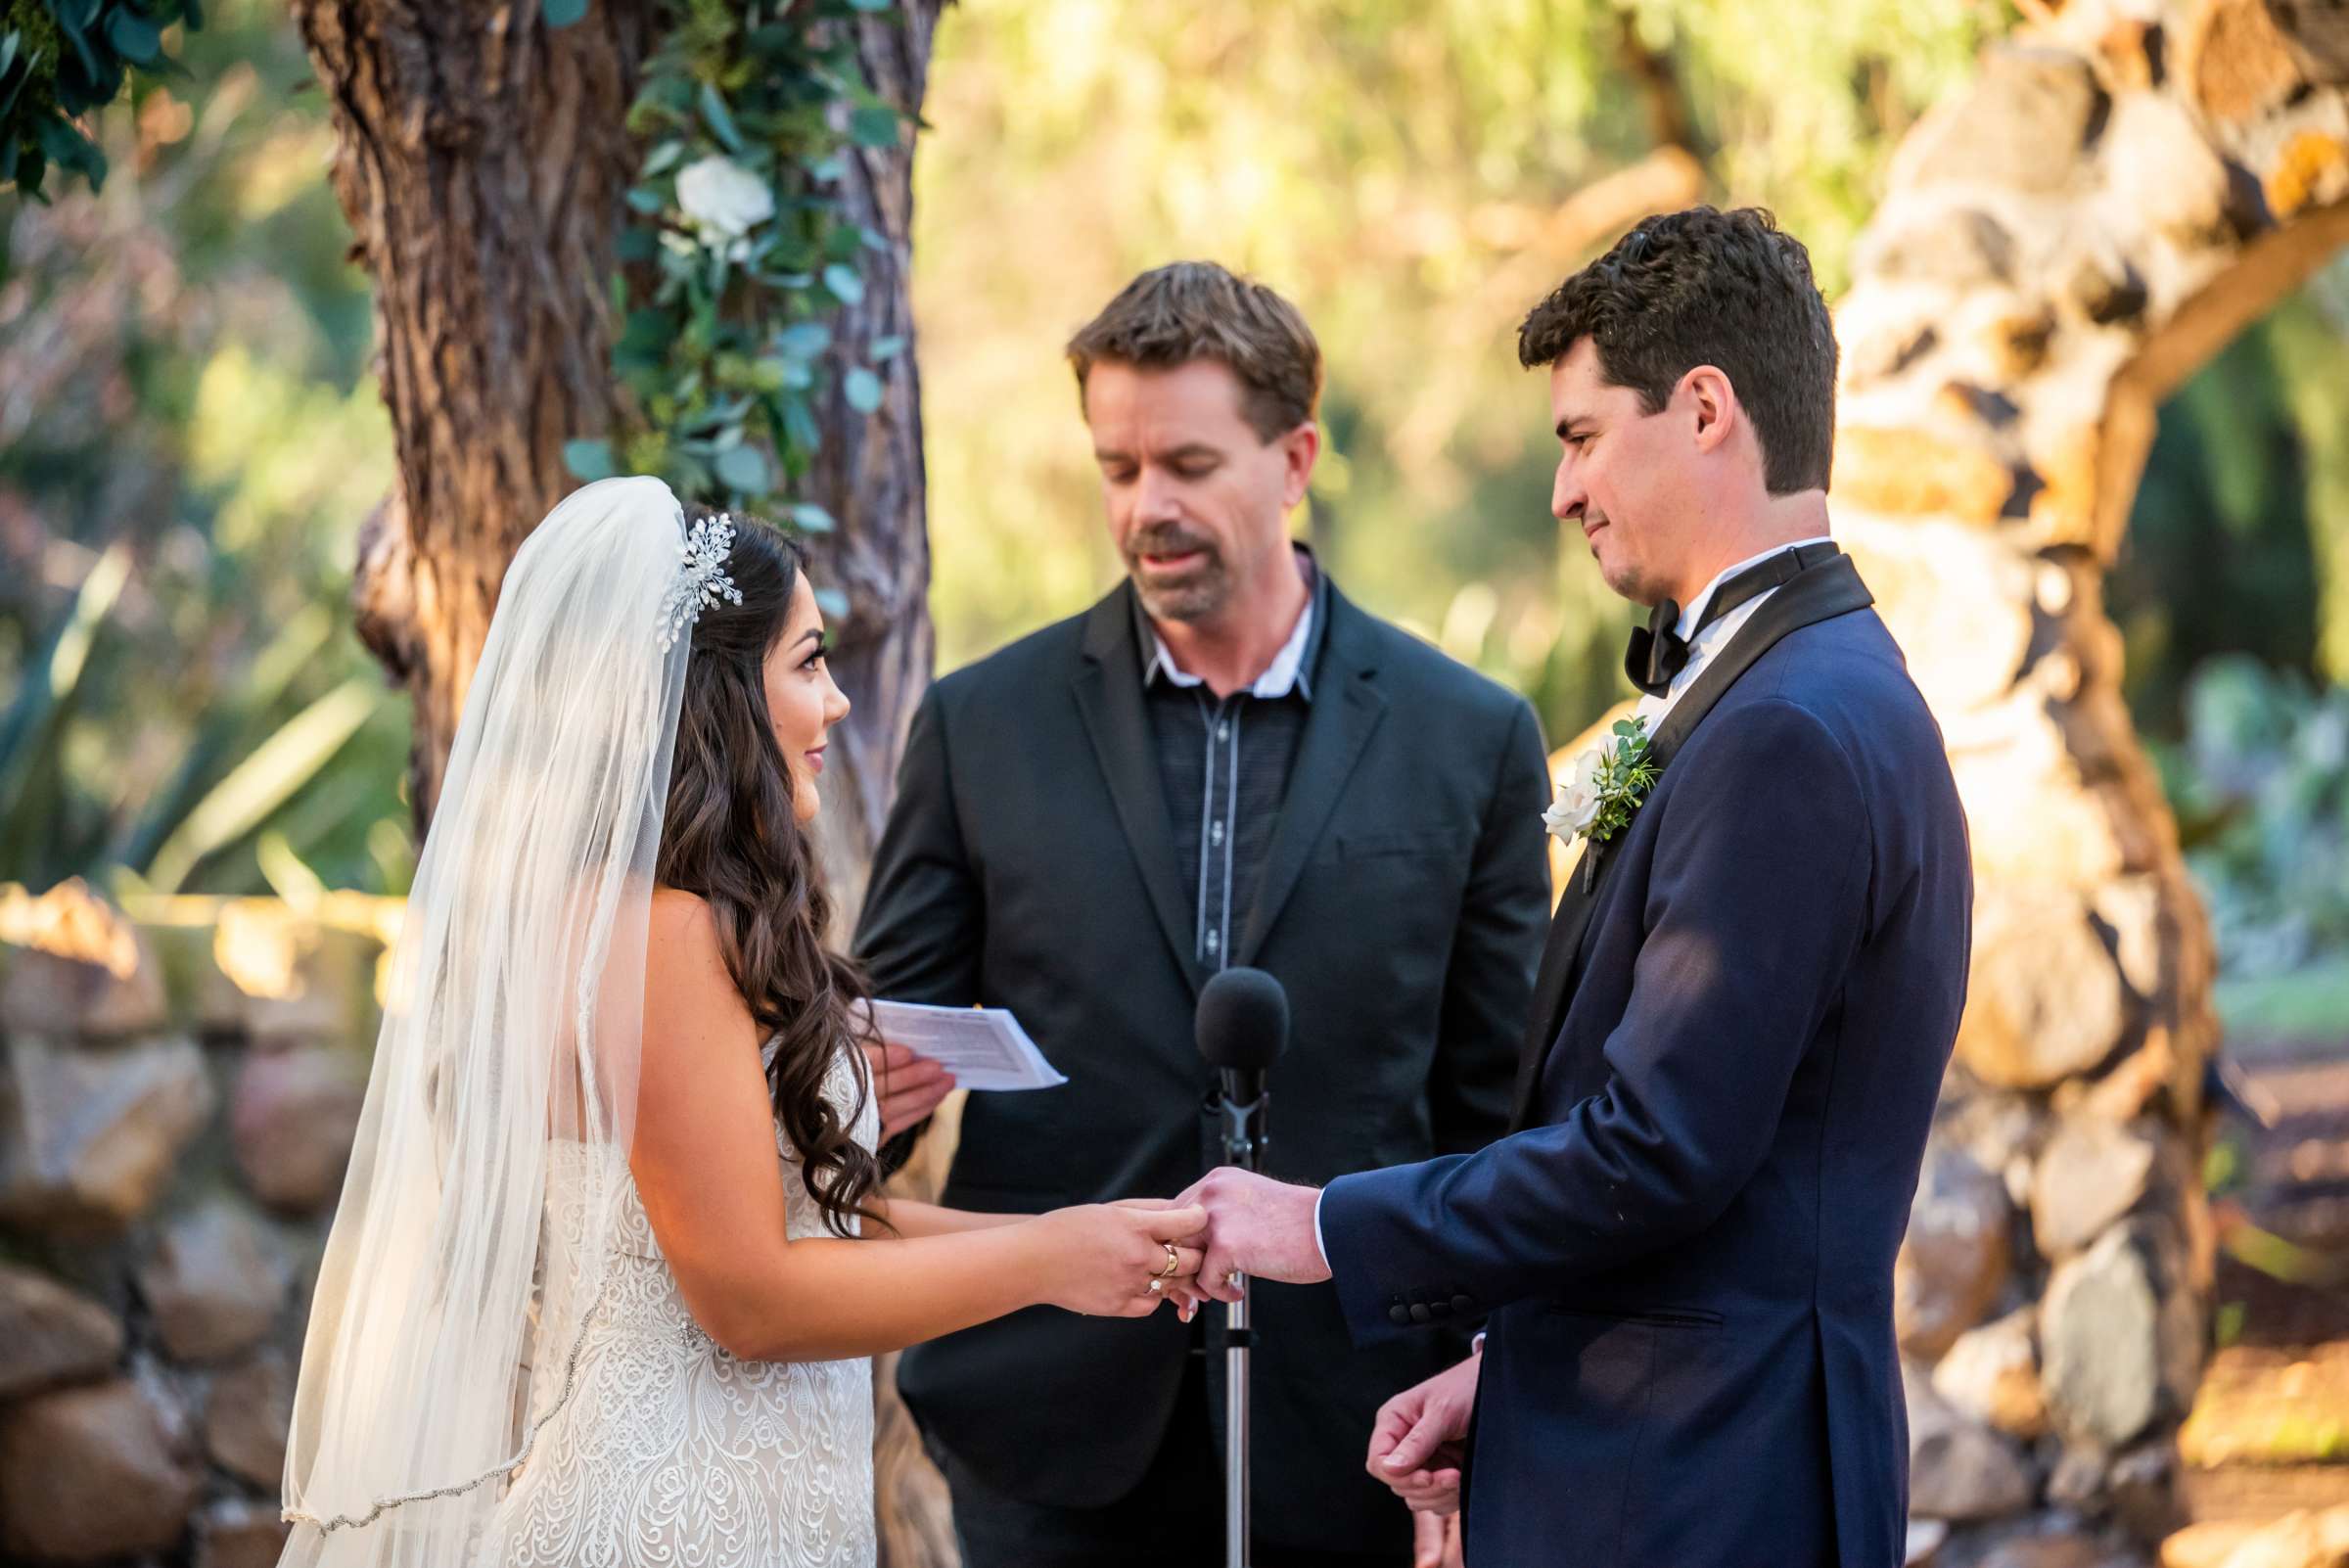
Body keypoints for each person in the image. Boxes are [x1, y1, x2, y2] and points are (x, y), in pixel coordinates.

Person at [1181, 208, 1975, 1567]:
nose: (1563, 492)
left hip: (1705, 1484)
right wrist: (1514, 1365)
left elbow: (1659, 1148)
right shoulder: (1793, 684)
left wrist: (1326, 1224)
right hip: (1682, 1443)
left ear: (1707, 409)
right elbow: (1733, 1164)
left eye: (1582, 436)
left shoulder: (1785, 727)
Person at [277, 478, 1206, 1568]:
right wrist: (1049, 1263)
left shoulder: (656, 921)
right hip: (666, 1516)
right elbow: (751, 1299)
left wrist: (1099, 1243)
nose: (840, 702)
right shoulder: (657, 933)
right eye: (809, 662)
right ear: (719, 694)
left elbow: (808, 1232)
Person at [855, 262, 1553, 1567]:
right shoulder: (979, 727)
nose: (1145, 508)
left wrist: (1485, 1385)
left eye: (1185, 462)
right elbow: (878, 1081)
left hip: (1360, 1430)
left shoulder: (1473, 738)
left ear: (1295, 458)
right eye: (1117, 468)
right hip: (1044, 1433)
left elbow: (1497, 1119)